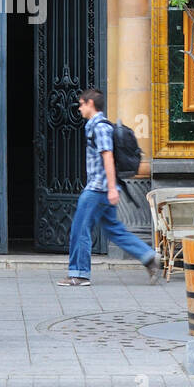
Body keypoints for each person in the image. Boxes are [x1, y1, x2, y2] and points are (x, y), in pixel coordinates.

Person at [58, 88, 161, 286]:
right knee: (114, 229)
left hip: (98, 189)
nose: (79, 108)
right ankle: (148, 257)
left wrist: (112, 188)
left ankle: (79, 274)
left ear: (90, 104)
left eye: (81, 104)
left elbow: (108, 156)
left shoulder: (100, 127)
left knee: (80, 229)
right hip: (103, 188)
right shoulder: (96, 126)